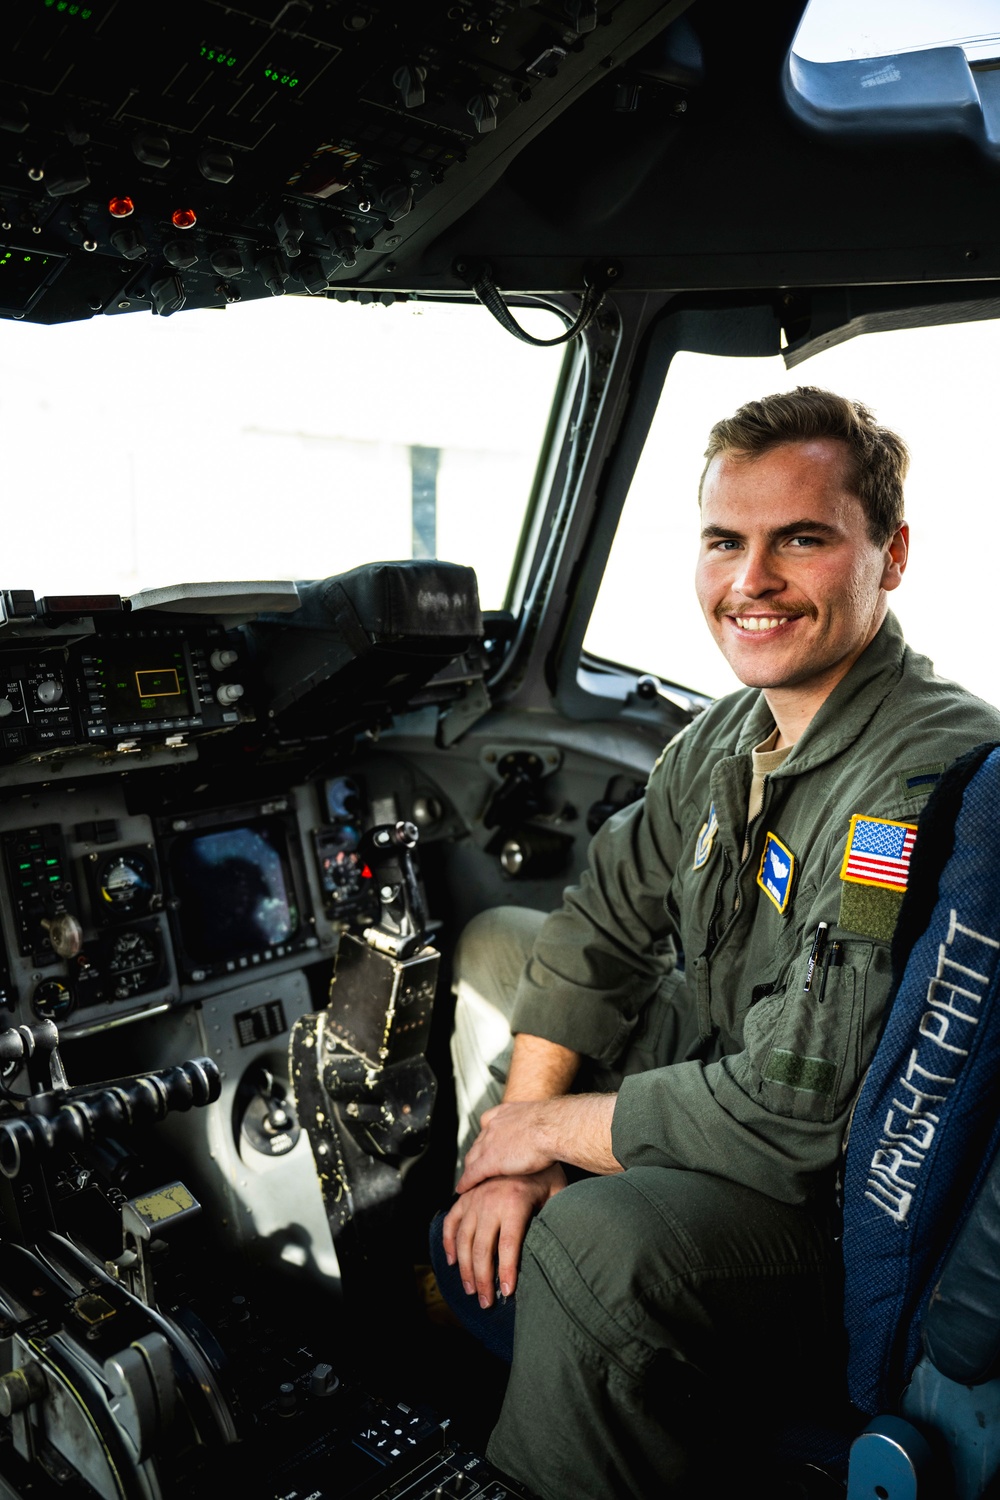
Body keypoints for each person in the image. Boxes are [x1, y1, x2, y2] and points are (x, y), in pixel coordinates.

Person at [433, 387, 1000, 1498]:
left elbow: (796, 1121)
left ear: (888, 554)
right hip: (735, 1075)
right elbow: (603, 917)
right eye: (724, 542)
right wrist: (517, 1136)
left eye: (801, 539)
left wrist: (538, 1129)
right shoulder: (732, 731)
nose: (752, 582)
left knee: (592, 1243)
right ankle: (474, 1232)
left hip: (828, 1211)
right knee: (507, 937)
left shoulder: (911, 787)